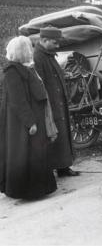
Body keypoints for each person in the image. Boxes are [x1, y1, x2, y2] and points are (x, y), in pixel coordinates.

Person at [0, 36, 57, 199]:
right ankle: (26, 192)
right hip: (23, 123)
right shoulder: (12, 72)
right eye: (28, 49)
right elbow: (18, 101)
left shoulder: (25, 68)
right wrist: (30, 122)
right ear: (22, 51)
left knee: (35, 154)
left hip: (33, 118)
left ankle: (38, 189)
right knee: (24, 154)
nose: (31, 51)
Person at [33, 26, 79, 176]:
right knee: (55, 136)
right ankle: (56, 168)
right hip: (51, 105)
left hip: (59, 102)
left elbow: (54, 74)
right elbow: (39, 84)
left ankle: (63, 167)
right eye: (55, 42)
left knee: (63, 135)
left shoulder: (49, 54)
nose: (58, 45)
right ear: (44, 40)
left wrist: (64, 74)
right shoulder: (38, 57)